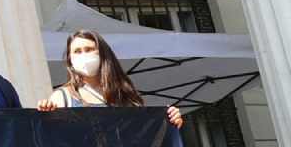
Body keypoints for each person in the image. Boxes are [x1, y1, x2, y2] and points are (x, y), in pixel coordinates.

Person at [36, 29, 185, 127]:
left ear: (103, 54)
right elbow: (53, 141)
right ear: (70, 60)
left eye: (89, 49)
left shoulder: (125, 95)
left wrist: (170, 121)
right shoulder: (62, 98)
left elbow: (145, 135)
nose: (83, 55)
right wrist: (46, 116)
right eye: (77, 51)